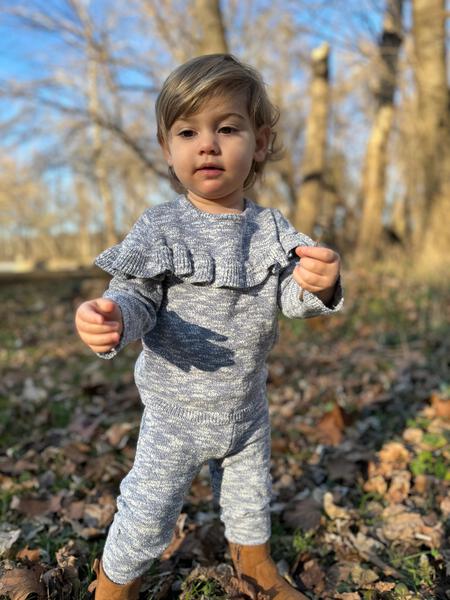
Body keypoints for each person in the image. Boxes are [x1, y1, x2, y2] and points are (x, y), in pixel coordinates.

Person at [75, 53, 342, 600]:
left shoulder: (270, 228)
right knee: (148, 511)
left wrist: (320, 286)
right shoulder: (162, 226)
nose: (208, 144)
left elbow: (291, 299)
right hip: (177, 413)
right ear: (167, 149)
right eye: (188, 131)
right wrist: (115, 318)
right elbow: (136, 294)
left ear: (260, 142)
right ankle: (113, 585)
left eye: (227, 128)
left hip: (246, 407)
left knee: (250, 499)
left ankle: (255, 568)